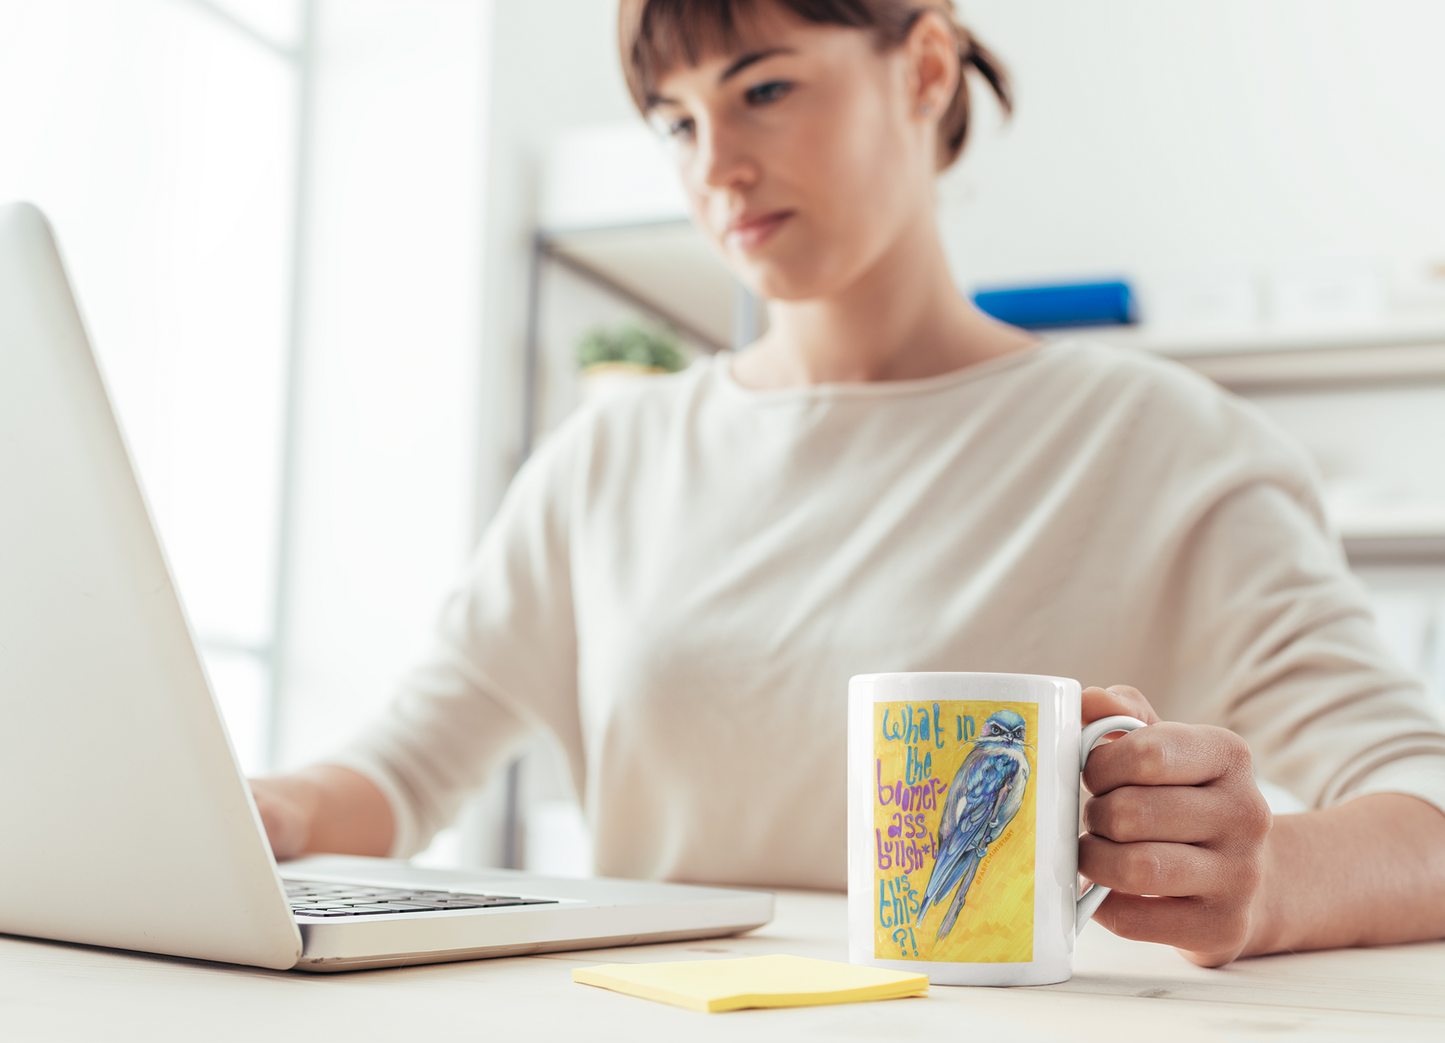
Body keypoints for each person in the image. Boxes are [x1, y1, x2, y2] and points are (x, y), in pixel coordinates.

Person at [251, 0, 1445, 968]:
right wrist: (269, 811)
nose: (715, 164)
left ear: (924, 70)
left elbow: (1426, 812)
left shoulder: (1166, 446)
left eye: (763, 87)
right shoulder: (601, 461)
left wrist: (1268, 876)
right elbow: (403, 769)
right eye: (676, 121)